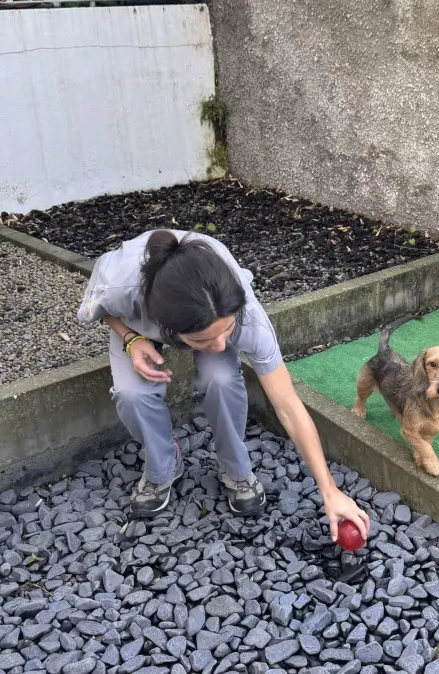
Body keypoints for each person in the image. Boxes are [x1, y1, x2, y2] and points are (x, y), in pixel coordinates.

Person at [77, 228, 369, 541]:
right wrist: (131, 339)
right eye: (203, 340)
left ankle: (236, 470)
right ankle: (163, 466)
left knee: (223, 377)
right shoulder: (120, 282)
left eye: (227, 331)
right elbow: (99, 308)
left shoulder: (244, 315)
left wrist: (329, 490)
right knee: (132, 395)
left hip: (199, 313)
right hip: (139, 327)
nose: (219, 345)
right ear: (166, 328)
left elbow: (287, 404)